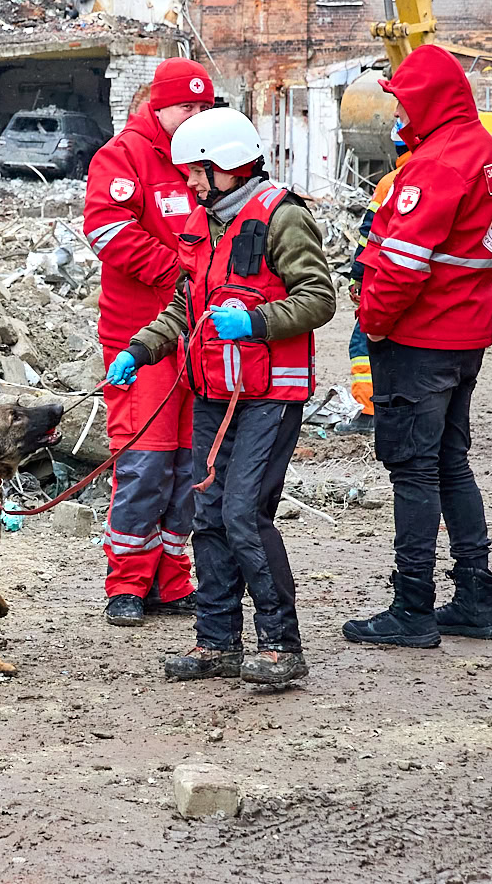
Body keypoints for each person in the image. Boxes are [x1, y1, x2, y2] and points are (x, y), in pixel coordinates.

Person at [112, 108, 336, 687]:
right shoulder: (203, 224)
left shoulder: (282, 219)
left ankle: (281, 644)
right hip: (215, 391)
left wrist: (257, 322)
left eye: (195, 172)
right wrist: (141, 350)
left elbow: (320, 299)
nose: (187, 183)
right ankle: (217, 644)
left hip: (269, 396)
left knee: (242, 514)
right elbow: (186, 306)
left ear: (230, 166)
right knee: (208, 515)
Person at [344, 44, 492, 648]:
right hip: (465, 333)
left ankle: (412, 606)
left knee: (412, 471)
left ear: (430, 102)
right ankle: (474, 595)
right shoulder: (486, 154)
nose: (398, 115)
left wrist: (374, 325)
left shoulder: (436, 165)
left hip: (420, 338)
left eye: (403, 102)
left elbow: (401, 265)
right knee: (449, 463)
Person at [83, 59, 216, 627]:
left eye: (204, 108)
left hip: (198, 339)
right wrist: (181, 275)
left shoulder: (206, 159)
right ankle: (127, 584)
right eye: (186, 107)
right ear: (157, 106)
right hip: (140, 338)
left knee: (190, 465)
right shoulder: (123, 156)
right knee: (144, 462)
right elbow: (107, 230)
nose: (195, 116)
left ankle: (172, 577)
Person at [342, 122, 412, 434]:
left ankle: (370, 410)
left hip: (381, 279)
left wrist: (357, 276)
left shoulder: (390, 182)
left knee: (363, 344)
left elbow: (369, 235)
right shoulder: (439, 172)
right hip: (413, 282)